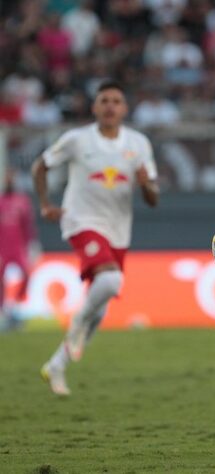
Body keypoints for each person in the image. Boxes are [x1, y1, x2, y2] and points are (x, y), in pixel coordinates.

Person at [32, 80, 159, 396]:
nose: (110, 106)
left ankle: (57, 365)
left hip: (117, 229)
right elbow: (40, 166)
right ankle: (75, 326)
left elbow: (154, 198)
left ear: (125, 108)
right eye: (104, 100)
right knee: (111, 282)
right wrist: (46, 204)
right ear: (94, 107)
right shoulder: (77, 139)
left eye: (116, 100)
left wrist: (145, 185)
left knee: (100, 307)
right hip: (81, 220)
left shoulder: (139, 143)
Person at [0, 168, 38, 330]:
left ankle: (14, 306)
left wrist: (32, 245)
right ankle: (3, 311)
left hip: (18, 247)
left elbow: (28, 225)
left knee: (27, 275)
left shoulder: (22, 202)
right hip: (2, 248)